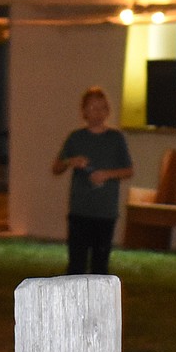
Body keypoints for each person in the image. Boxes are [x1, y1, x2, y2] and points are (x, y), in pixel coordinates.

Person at [51, 85, 134, 275]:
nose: (98, 113)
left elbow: (128, 170)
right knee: (76, 263)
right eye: (93, 108)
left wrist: (107, 175)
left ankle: (98, 303)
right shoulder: (76, 138)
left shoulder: (115, 138)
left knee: (100, 265)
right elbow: (56, 168)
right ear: (84, 112)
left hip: (105, 211)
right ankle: (73, 301)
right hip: (80, 210)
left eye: (103, 108)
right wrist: (71, 161)